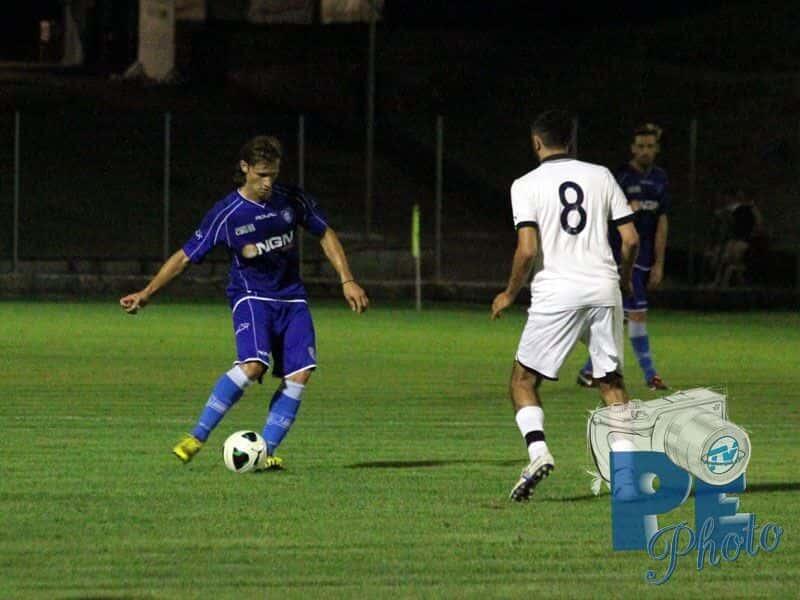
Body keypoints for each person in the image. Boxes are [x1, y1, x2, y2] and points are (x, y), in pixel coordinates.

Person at [119, 135, 369, 469]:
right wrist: (146, 293)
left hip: (292, 298)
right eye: (262, 175)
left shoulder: (291, 199)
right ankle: (197, 436)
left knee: (300, 374)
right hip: (252, 297)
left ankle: (264, 453)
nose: (268, 183)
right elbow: (184, 257)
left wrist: (347, 279)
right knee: (253, 365)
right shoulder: (227, 213)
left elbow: (325, 232)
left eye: (273, 175)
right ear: (245, 168)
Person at [491, 109, 640, 502]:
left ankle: (538, 452)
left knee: (522, 381)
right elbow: (630, 239)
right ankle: (626, 478)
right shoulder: (601, 175)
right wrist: (624, 278)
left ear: (536, 142)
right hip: (603, 287)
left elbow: (527, 250)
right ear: (570, 142)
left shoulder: (525, 185)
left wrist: (509, 293)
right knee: (611, 382)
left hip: (557, 292)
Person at [577, 123, 669, 391]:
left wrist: (659, 263)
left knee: (623, 317)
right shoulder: (621, 177)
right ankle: (651, 375)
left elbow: (662, 222)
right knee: (635, 315)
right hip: (621, 257)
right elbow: (602, 213)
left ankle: (589, 370)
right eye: (640, 146)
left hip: (644, 258)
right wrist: (627, 207)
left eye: (650, 146)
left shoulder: (660, 178)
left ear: (657, 149)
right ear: (632, 149)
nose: (645, 151)